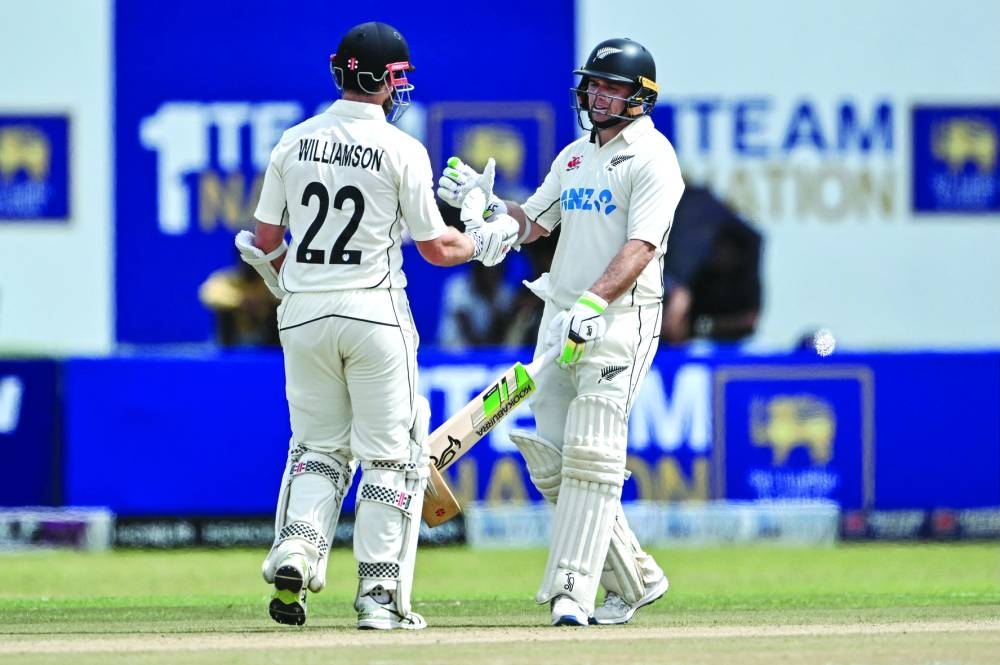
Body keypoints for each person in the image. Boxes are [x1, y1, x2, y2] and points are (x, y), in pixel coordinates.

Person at [234, 21, 518, 631]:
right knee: (390, 459)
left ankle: (297, 549)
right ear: (377, 79)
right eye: (396, 79)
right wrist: (486, 238)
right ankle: (378, 596)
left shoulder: (293, 141)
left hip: (304, 316)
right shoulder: (399, 148)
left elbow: (263, 240)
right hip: (374, 315)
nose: (400, 90)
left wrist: (285, 273)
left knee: (316, 451)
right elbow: (437, 250)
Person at [437, 37, 683, 626]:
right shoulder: (574, 156)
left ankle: (570, 591)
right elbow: (534, 222)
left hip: (621, 318)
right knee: (553, 462)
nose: (599, 95)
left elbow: (642, 246)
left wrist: (596, 300)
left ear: (640, 98)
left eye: (613, 87)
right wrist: (488, 211)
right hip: (559, 318)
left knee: (593, 454)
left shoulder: (654, 159)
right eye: (594, 84)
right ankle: (637, 579)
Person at [660, 186, 763, 344]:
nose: (720, 254)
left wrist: (694, 327)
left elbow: (748, 321)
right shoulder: (690, 262)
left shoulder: (745, 256)